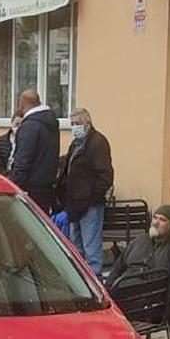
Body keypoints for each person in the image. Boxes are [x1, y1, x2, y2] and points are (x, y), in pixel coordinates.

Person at [106, 205, 170, 325]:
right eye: (155, 218)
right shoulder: (140, 241)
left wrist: (146, 301)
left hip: (162, 305)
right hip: (129, 296)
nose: (156, 222)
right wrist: (106, 292)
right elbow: (117, 269)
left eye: (163, 220)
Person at [55, 107, 114, 275]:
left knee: (91, 248)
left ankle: (94, 279)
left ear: (87, 122)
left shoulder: (97, 142)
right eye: (72, 123)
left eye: (78, 123)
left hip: (90, 204)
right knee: (77, 247)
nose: (74, 127)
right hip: (74, 204)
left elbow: (105, 177)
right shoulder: (76, 143)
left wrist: (92, 197)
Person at [8, 89, 59, 214]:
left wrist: (13, 185)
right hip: (46, 186)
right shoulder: (51, 124)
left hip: (30, 188)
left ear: (22, 104)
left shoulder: (29, 126)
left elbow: (23, 160)